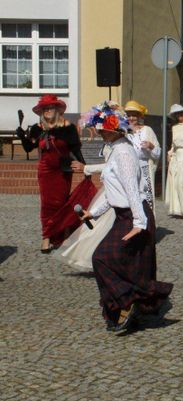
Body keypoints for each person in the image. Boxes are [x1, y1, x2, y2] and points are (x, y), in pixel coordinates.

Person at [80, 102, 173, 332]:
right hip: (126, 215)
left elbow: (133, 189)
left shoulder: (123, 152)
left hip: (135, 215)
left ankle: (127, 303)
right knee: (130, 266)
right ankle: (128, 308)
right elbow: (115, 191)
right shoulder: (116, 149)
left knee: (103, 258)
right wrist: (93, 212)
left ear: (114, 129)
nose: (99, 132)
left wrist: (139, 223)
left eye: (102, 128)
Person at [16, 94, 93, 253]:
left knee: (61, 203)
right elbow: (29, 148)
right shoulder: (39, 128)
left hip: (62, 171)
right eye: (44, 109)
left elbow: (75, 149)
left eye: (50, 108)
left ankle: (64, 235)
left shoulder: (68, 128)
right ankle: (47, 238)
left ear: (57, 109)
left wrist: (85, 168)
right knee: (46, 204)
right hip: (45, 171)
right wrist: (22, 136)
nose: (47, 111)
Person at [124, 100, 161, 208]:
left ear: (139, 116)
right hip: (128, 168)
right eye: (129, 115)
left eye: (134, 115)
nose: (131, 118)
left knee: (145, 196)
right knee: (130, 196)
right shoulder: (123, 132)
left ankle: (148, 223)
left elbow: (157, 153)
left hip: (144, 169)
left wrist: (151, 146)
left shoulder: (147, 130)